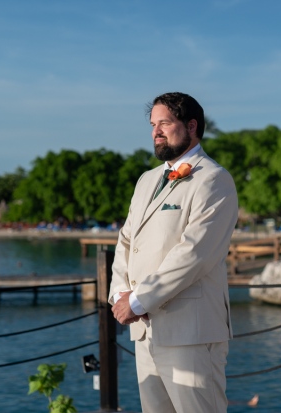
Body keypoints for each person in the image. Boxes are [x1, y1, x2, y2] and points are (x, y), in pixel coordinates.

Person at [109, 92, 239, 413]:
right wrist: (120, 295)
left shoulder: (214, 179)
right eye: (153, 124)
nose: (156, 131)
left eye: (164, 123)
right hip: (145, 331)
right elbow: (127, 240)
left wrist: (139, 301)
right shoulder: (146, 180)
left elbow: (193, 255)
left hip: (190, 334)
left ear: (191, 125)